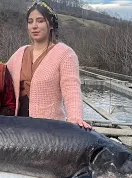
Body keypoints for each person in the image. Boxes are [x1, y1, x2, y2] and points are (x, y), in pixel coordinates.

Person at [6, 1, 91, 129]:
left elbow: (72, 90)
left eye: (40, 21)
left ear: (51, 24)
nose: (34, 26)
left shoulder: (64, 53)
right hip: (19, 129)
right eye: (30, 22)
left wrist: (75, 118)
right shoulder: (20, 53)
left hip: (49, 130)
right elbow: (0, 75)